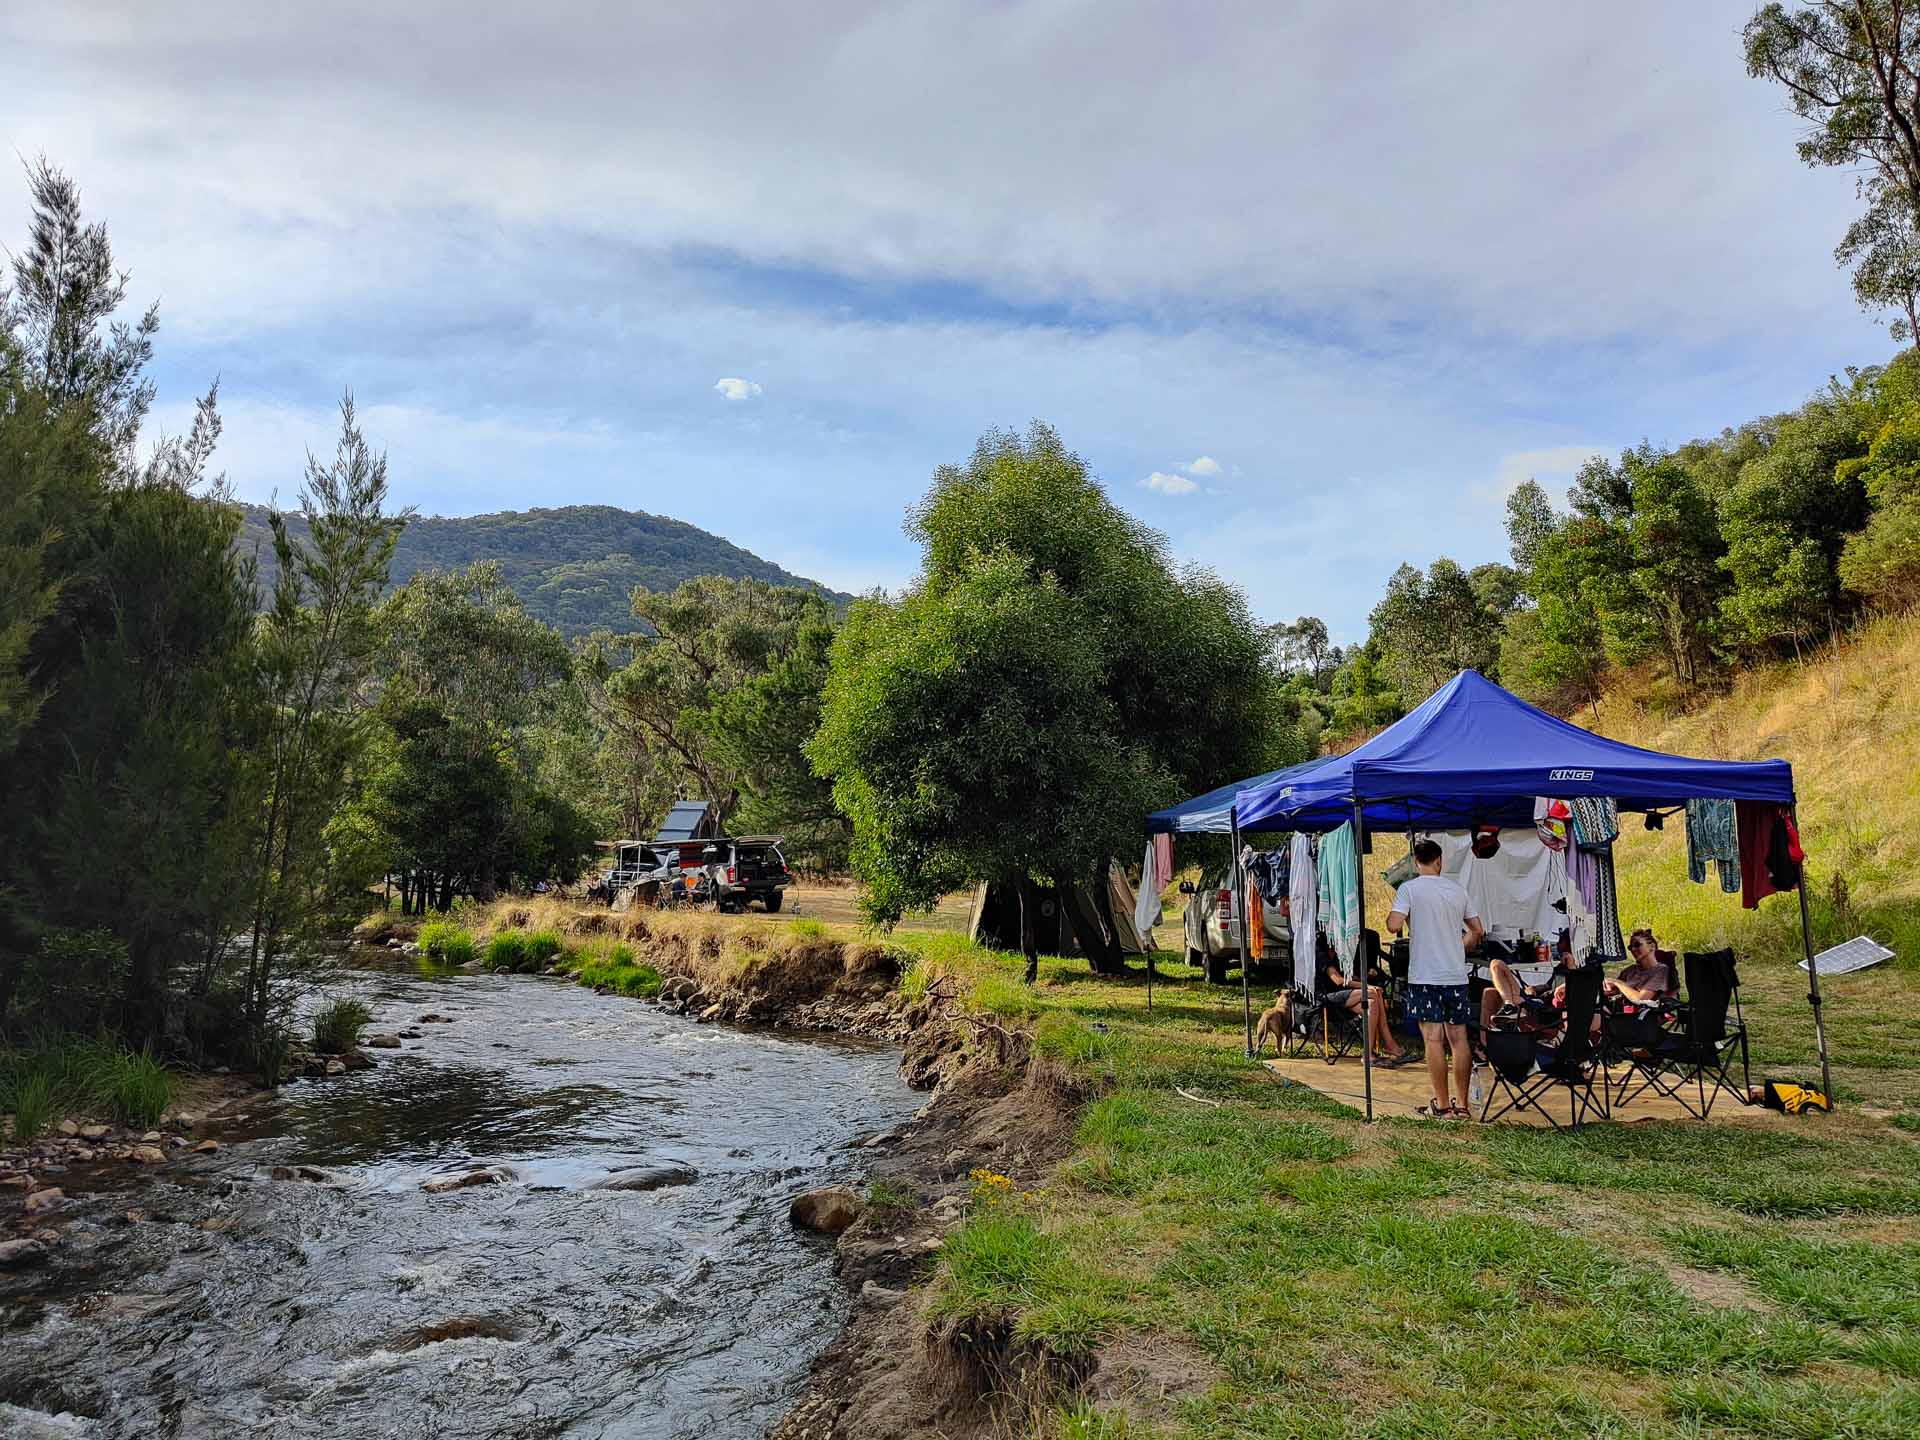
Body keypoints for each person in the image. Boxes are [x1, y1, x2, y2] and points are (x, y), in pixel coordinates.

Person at [1386, 838, 1483, 1118]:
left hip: (1425, 975)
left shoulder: (1409, 889)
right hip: (1454, 974)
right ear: (1439, 861)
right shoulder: (1456, 890)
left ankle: (1442, 1105)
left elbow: (1393, 925)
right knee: (1459, 1038)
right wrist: (1458, 946)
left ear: (1416, 863)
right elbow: (1477, 930)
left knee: (1433, 1039)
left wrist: (1403, 918)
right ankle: (1462, 1105)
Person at [1317, 953, 1408, 1065]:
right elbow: (1338, 980)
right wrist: (1366, 985)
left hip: (1344, 997)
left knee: (1372, 1002)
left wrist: (1365, 981)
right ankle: (1389, 1044)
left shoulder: (1339, 951)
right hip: (1326, 999)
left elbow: (1349, 976)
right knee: (1372, 992)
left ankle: (1368, 1053)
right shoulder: (1321, 953)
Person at [1609, 928, 1677, 1003]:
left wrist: (1618, 983)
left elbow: (1642, 999)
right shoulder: (1629, 971)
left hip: (1645, 1013)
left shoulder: (1661, 970)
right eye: (1630, 947)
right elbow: (1614, 991)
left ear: (1652, 946)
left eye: (1637, 945)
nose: (1633, 949)